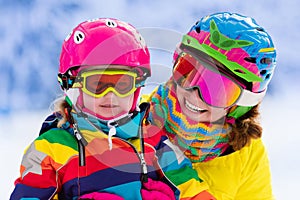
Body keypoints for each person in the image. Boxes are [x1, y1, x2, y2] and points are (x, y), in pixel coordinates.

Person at [10, 18, 215, 200]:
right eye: (97, 84)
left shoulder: (154, 142)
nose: (110, 95)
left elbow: (192, 190)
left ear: (137, 89)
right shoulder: (50, 150)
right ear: (74, 88)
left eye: (122, 84)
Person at [146, 12, 276, 199]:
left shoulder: (246, 153)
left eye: (217, 90)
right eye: (187, 71)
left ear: (242, 104)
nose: (194, 95)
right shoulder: (132, 121)